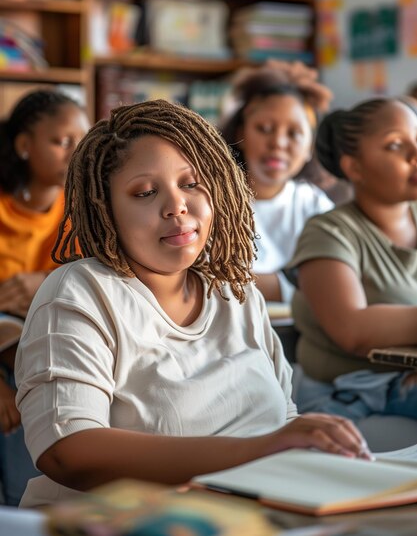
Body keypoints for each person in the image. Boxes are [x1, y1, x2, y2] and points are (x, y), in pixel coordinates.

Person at [15, 99, 370, 508]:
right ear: (106, 211)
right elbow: (68, 452)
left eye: (190, 183)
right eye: (146, 192)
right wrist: (259, 452)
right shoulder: (80, 292)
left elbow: (279, 418)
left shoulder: (235, 291)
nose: (177, 206)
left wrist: (313, 443)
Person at [284, 97, 417, 421]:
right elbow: (352, 330)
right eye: (396, 145)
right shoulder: (328, 232)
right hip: (354, 392)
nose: (415, 154)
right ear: (353, 167)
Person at [0, 88, 89, 505]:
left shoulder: (82, 209)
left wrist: (43, 281)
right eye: (61, 141)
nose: (74, 153)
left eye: (80, 142)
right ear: (23, 144)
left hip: (42, 348)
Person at [221, 64, 334, 302]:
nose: (278, 143)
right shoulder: (213, 201)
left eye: (293, 133)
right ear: (240, 133)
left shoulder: (314, 204)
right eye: (264, 129)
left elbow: (334, 282)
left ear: (309, 148)